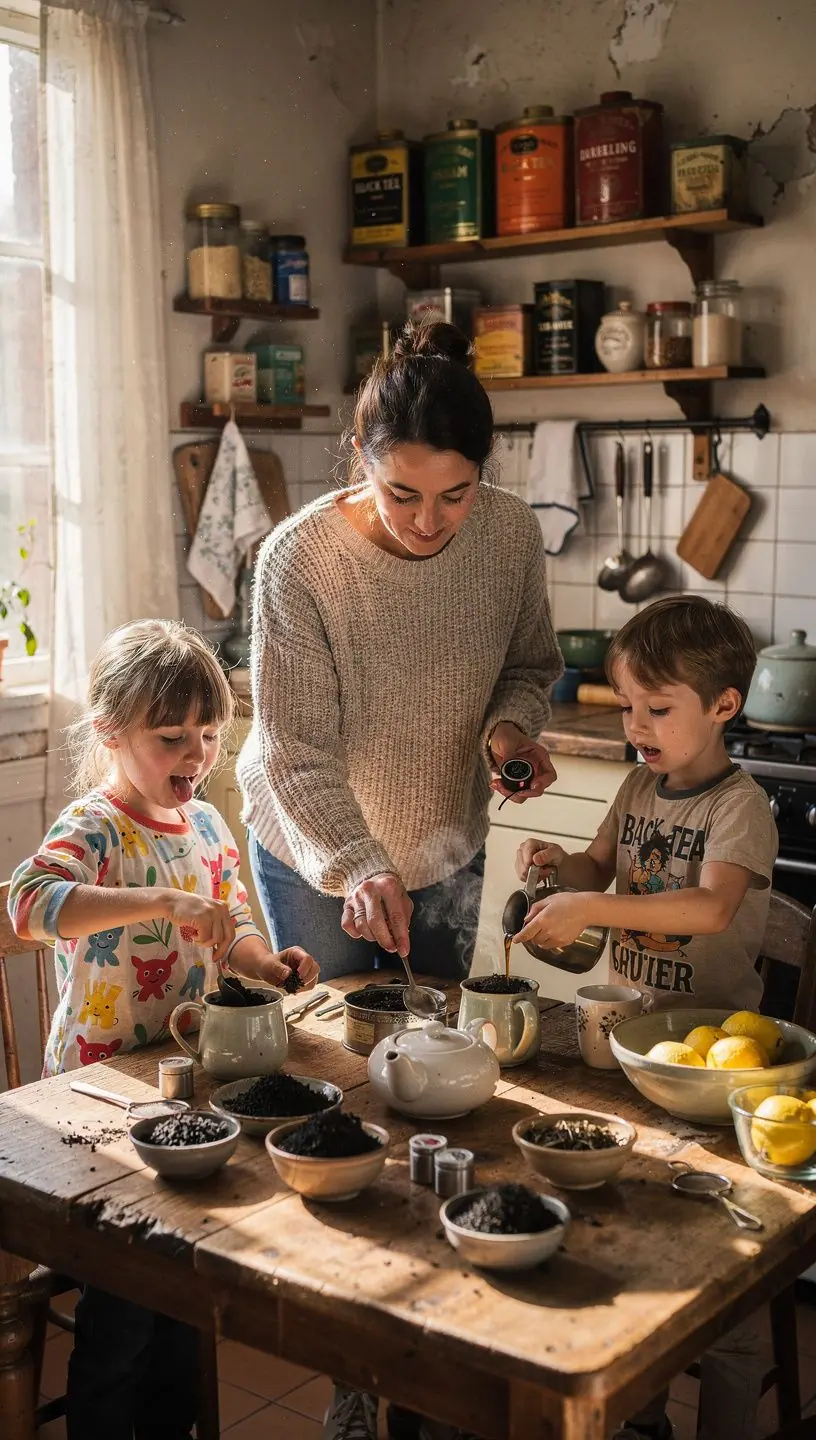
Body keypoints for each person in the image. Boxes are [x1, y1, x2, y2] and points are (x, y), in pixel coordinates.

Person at [237, 319, 563, 1440]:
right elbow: (290, 751)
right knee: (341, 1106)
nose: (430, 523)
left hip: (448, 847)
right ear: (358, 463)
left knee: (442, 1096)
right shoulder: (298, 558)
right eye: (401, 494)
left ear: (486, 478)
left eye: (455, 496)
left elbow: (530, 662)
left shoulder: (511, 537)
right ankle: (356, 1380)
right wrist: (357, 866)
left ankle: (436, 1351)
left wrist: (514, 732)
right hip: (315, 849)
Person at [8, 619, 318, 1440]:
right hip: (98, 1102)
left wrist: (267, 965)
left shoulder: (210, 826)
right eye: (172, 736)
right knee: (124, 1307)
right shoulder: (98, 825)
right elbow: (28, 902)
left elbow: (235, 924)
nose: (196, 755)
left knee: (183, 1292)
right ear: (111, 733)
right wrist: (161, 902)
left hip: (186, 1093)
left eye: (209, 735)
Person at [515, 595, 778, 1440]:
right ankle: (641, 1419)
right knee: (626, 1236)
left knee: (721, 1266)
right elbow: (599, 861)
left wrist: (592, 902)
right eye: (629, 705)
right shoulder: (637, 784)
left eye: (657, 709)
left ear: (723, 706)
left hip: (713, 1072)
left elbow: (707, 909)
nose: (637, 725)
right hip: (627, 1046)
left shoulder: (741, 808)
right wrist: (561, 867)